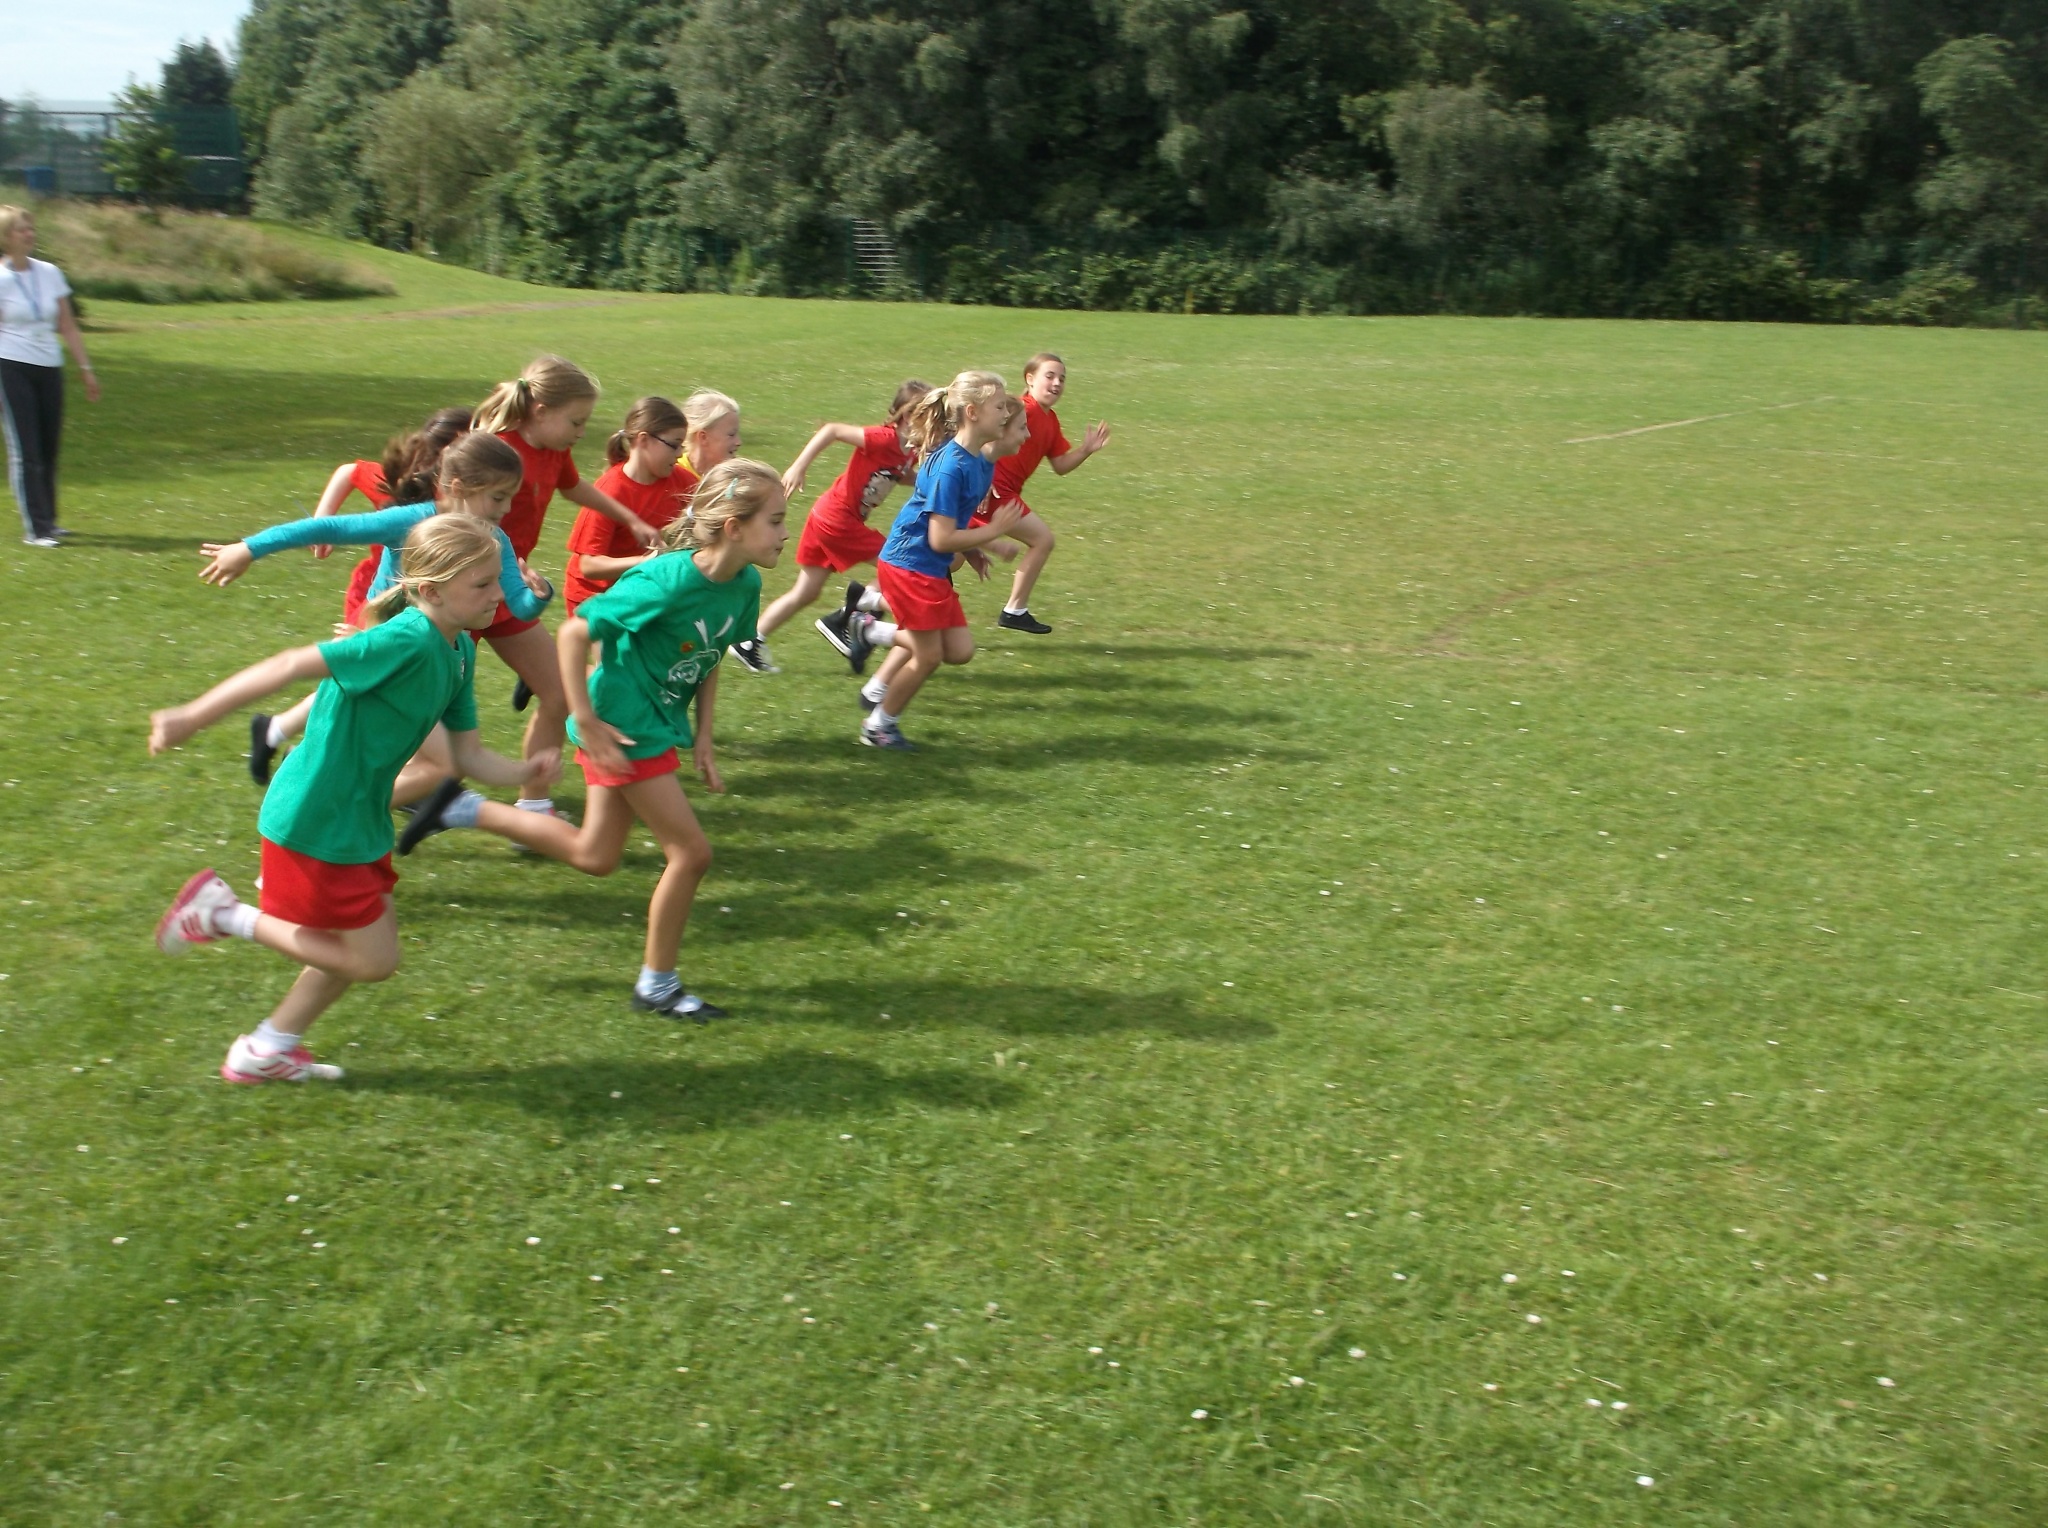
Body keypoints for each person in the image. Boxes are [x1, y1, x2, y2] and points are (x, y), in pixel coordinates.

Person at [149, 516, 551, 1084]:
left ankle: (265, 1050)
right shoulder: (403, 639)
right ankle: (221, 914)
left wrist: (524, 770)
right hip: (317, 816)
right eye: (483, 585)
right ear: (432, 590)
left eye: (498, 580)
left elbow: (466, 757)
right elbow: (290, 666)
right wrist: (192, 716)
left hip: (355, 820)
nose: (499, 595)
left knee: (353, 949)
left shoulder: (457, 651)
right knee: (371, 959)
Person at [399, 459, 788, 1022]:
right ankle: (658, 985)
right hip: (622, 724)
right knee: (691, 853)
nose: (784, 532)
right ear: (734, 527)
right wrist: (586, 717)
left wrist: (704, 734)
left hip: (651, 724)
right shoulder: (667, 580)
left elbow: (712, 653)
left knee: (596, 855)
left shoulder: (743, 583)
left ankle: (458, 809)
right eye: (775, 521)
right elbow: (576, 631)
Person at [193, 432, 552, 795]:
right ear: (458, 487)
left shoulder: (496, 539)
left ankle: (292, 751)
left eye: (509, 498)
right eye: (498, 497)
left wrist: (538, 594)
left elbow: (519, 604)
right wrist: (250, 548)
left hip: (426, 649)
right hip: (382, 636)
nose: (506, 509)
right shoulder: (413, 521)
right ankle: (328, 782)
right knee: (433, 758)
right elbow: (329, 527)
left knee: (388, 733)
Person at [473, 355, 659, 813]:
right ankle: (359, 767)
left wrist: (629, 517)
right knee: (420, 700)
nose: (582, 432)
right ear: (540, 411)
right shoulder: (496, 450)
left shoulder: (553, 450)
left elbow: (573, 487)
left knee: (559, 693)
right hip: (463, 592)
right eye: (576, 421)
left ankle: (533, 807)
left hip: (509, 595)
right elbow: (455, 513)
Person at [821, 371, 1021, 750]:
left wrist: (975, 549)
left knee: (959, 651)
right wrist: (992, 534)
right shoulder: (952, 466)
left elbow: (952, 522)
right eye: (1000, 407)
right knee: (927, 656)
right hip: (909, 564)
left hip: (928, 565)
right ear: (973, 412)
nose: (1006, 415)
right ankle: (879, 726)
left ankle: (869, 630)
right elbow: (940, 537)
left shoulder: (979, 460)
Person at [729, 379, 930, 674]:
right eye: (926, 415)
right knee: (898, 564)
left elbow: (898, 475)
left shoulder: (908, 450)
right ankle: (852, 611)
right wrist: (799, 466)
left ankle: (749, 642)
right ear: (907, 415)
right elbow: (831, 430)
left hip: (826, 517)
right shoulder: (882, 438)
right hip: (838, 520)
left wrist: (931, 482)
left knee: (806, 592)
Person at [562, 390, 738, 614]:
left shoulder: (682, 481)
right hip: (595, 599)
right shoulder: (611, 489)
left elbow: (708, 521)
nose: (679, 454)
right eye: (674, 445)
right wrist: (648, 562)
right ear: (644, 440)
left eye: (682, 446)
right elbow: (589, 566)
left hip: (642, 593)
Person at [977, 351, 1111, 634]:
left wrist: (1086, 450)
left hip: (1002, 492)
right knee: (1042, 539)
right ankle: (1014, 610)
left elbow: (1061, 465)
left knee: (949, 560)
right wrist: (979, 481)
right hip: (994, 492)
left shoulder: (1049, 420)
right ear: (1030, 379)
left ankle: (876, 598)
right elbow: (978, 439)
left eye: (1062, 378)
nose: (1057, 383)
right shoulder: (1018, 409)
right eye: (1049, 376)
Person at [306, 405, 474, 610]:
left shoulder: (483, 496)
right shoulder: (404, 486)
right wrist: (321, 522)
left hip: (434, 600)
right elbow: (350, 472)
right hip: (377, 597)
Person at [0, 204, 99, 547]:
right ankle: (37, 529)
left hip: (49, 366)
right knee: (25, 449)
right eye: (21, 229)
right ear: (5, 237)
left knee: (48, 447)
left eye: (31, 228)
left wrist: (85, 369)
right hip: (10, 365)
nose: (29, 233)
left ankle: (51, 521)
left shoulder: (50, 273)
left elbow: (67, 325)